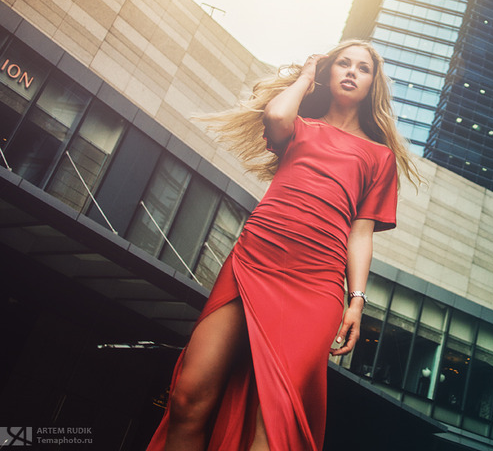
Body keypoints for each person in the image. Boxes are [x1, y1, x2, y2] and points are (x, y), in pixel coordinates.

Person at [146, 40, 420, 451]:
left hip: (316, 286)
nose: (350, 72)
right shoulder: (299, 127)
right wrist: (308, 75)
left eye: (362, 68)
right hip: (254, 259)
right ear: (329, 73)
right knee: (188, 397)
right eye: (342, 64)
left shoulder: (379, 157)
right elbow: (274, 113)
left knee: (274, 420)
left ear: (372, 84)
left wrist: (357, 301)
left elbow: (360, 233)